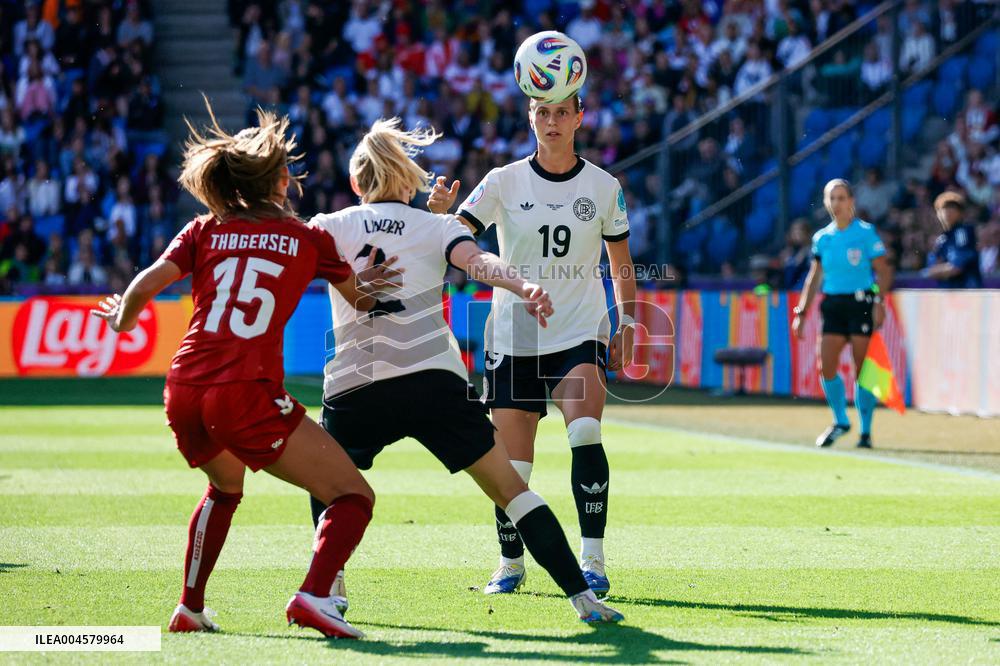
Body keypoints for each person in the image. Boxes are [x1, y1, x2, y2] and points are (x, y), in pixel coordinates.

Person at [89, 106, 401, 639]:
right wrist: (371, 280)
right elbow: (363, 301)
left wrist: (122, 319)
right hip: (244, 393)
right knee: (354, 496)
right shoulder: (307, 239)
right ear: (281, 180)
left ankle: (189, 607)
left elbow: (144, 284)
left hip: (183, 388)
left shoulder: (205, 228)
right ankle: (314, 596)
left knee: (224, 487)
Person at [309, 117, 624, 624]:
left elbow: (284, 263)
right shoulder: (438, 226)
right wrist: (523, 285)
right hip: (434, 382)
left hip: (356, 383)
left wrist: (349, 282)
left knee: (328, 480)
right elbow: (479, 263)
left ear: (354, 182)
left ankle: (329, 587)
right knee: (512, 487)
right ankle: (583, 597)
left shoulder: (328, 225)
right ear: (409, 181)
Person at [427, 92, 636, 598]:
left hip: (579, 328)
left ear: (580, 117)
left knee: (585, 431)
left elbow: (620, 261)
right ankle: (510, 563)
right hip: (515, 332)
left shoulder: (605, 187)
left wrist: (626, 320)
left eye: (562, 112)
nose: (552, 121)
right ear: (530, 118)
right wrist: (437, 214)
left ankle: (593, 561)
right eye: (543, 112)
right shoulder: (501, 181)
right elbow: (452, 241)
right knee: (513, 466)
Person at [793, 179, 894, 449]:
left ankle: (866, 430)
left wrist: (878, 302)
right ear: (826, 203)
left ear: (851, 201)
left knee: (863, 369)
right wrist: (801, 312)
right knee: (826, 365)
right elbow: (813, 278)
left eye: (841, 198)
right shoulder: (822, 238)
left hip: (860, 302)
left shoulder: (865, 233)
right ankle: (841, 420)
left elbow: (883, 271)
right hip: (833, 304)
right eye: (832, 198)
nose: (836, 203)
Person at [925, 191, 982, 288]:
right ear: (938, 214)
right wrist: (933, 271)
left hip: (967, 293)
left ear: (961, 213)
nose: (947, 211)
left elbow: (956, 267)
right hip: (948, 295)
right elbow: (932, 267)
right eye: (943, 208)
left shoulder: (963, 232)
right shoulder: (941, 239)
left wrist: (930, 272)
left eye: (953, 207)